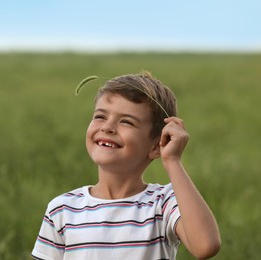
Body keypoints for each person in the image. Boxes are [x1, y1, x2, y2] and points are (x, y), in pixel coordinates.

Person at [31, 72, 221, 259]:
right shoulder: (63, 209)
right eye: (100, 116)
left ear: (156, 145)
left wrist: (173, 161)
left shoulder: (163, 204)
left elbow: (205, 246)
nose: (107, 127)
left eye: (126, 122)